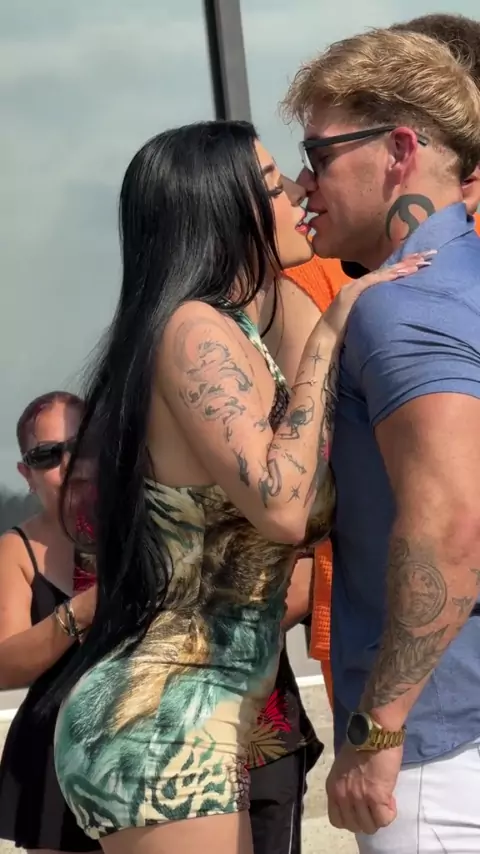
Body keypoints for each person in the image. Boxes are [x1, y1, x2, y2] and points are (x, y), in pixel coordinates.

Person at [45, 121, 430, 854]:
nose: (298, 193)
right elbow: (283, 507)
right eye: (275, 184)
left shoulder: (247, 324)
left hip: (208, 712)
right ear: (223, 208)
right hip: (163, 718)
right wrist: (329, 335)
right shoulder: (193, 332)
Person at [281, 27, 480, 853]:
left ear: (399, 151)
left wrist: (379, 730)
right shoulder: (459, 283)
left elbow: (452, 525)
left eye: (319, 154)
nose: (302, 183)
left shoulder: (403, 305)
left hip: (439, 751)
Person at [0, 391, 98, 854]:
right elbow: (5, 665)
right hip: (55, 753)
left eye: (81, 446)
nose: (69, 463)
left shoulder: (142, 525)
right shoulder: (16, 549)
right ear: (27, 473)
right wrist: (81, 611)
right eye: (47, 455)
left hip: (143, 741)